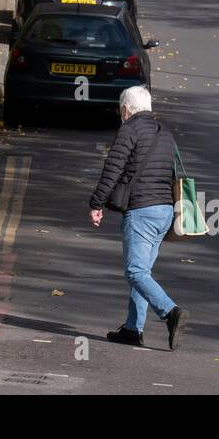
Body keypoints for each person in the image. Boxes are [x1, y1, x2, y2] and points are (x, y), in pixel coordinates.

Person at [88, 85, 188, 350]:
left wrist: (97, 202)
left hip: (142, 211)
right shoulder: (164, 134)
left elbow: (112, 168)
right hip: (165, 211)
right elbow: (173, 173)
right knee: (143, 271)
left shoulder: (129, 130)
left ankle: (170, 312)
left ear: (125, 109)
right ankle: (133, 328)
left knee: (135, 271)